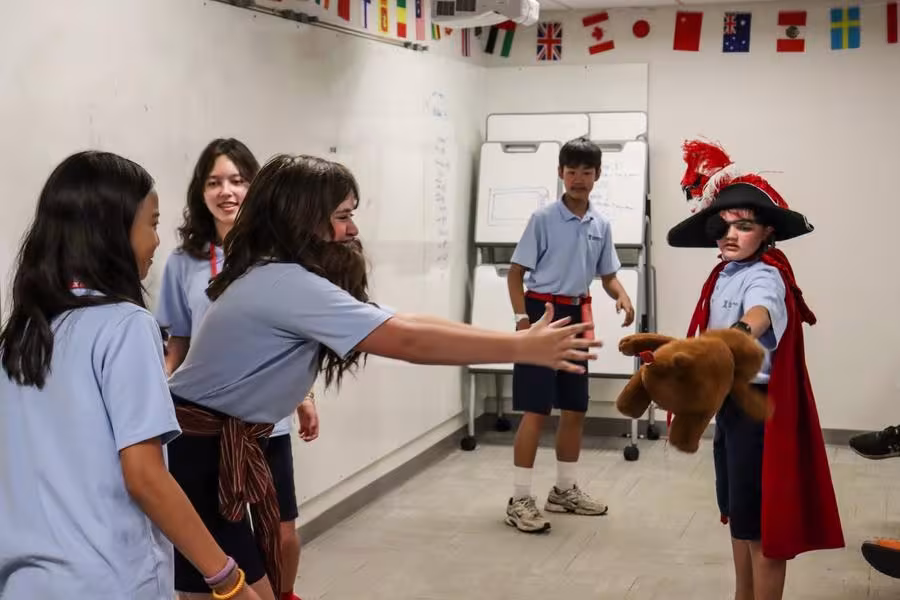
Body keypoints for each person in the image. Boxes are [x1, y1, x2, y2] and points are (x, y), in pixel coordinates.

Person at [164, 153, 600, 599]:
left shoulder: (283, 276)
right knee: (235, 592)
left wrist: (516, 339)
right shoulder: (283, 282)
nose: (352, 230)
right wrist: (520, 347)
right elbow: (408, 342)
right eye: (342, 216)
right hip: (199, 453)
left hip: (217, 446)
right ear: (302, 217)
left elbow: (406, 321)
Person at [0, 151, 259, 600]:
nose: (157, 241)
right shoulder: (126, 325)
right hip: (110, 580)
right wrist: (227, 580)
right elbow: (145, 476)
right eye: (152, 223)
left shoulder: (20, 335)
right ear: (112, 232)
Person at [670, 139, 844, 600]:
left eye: (744, 226)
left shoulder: (765, 274)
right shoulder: (726, 273)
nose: (731, 235)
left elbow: (761, 312)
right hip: (731, 407)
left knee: (764, 525)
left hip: (756, 412)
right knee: (740, 515)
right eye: (723, 225)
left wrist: (739, 334)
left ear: (766, 232)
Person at [155, 138, 315, 600]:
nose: (226, 191)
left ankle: (282, 593)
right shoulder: (184, 263)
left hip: (265, 422)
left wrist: (305, 397)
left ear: (256, 188)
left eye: (238, 180)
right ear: (200, 192)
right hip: (206, 425)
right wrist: (160, 391)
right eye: (214, 182)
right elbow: (178, 344)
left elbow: (296, 337)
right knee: (226, 537)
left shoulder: (276, 256)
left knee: (282, 532)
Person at [504, 136, 635, 533]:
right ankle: (519, 497)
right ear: (561, 173)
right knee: (536, 408)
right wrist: (522, 322)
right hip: (541, 313)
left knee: (576, 407)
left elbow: (607, 274)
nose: (579, 178)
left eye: (586, 171)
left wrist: (622, 295)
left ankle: (563, 491)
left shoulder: (601, 223)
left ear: (597, 176)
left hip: (577, 315)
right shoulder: (543, 219)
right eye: (571, 171)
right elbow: (515, 274)